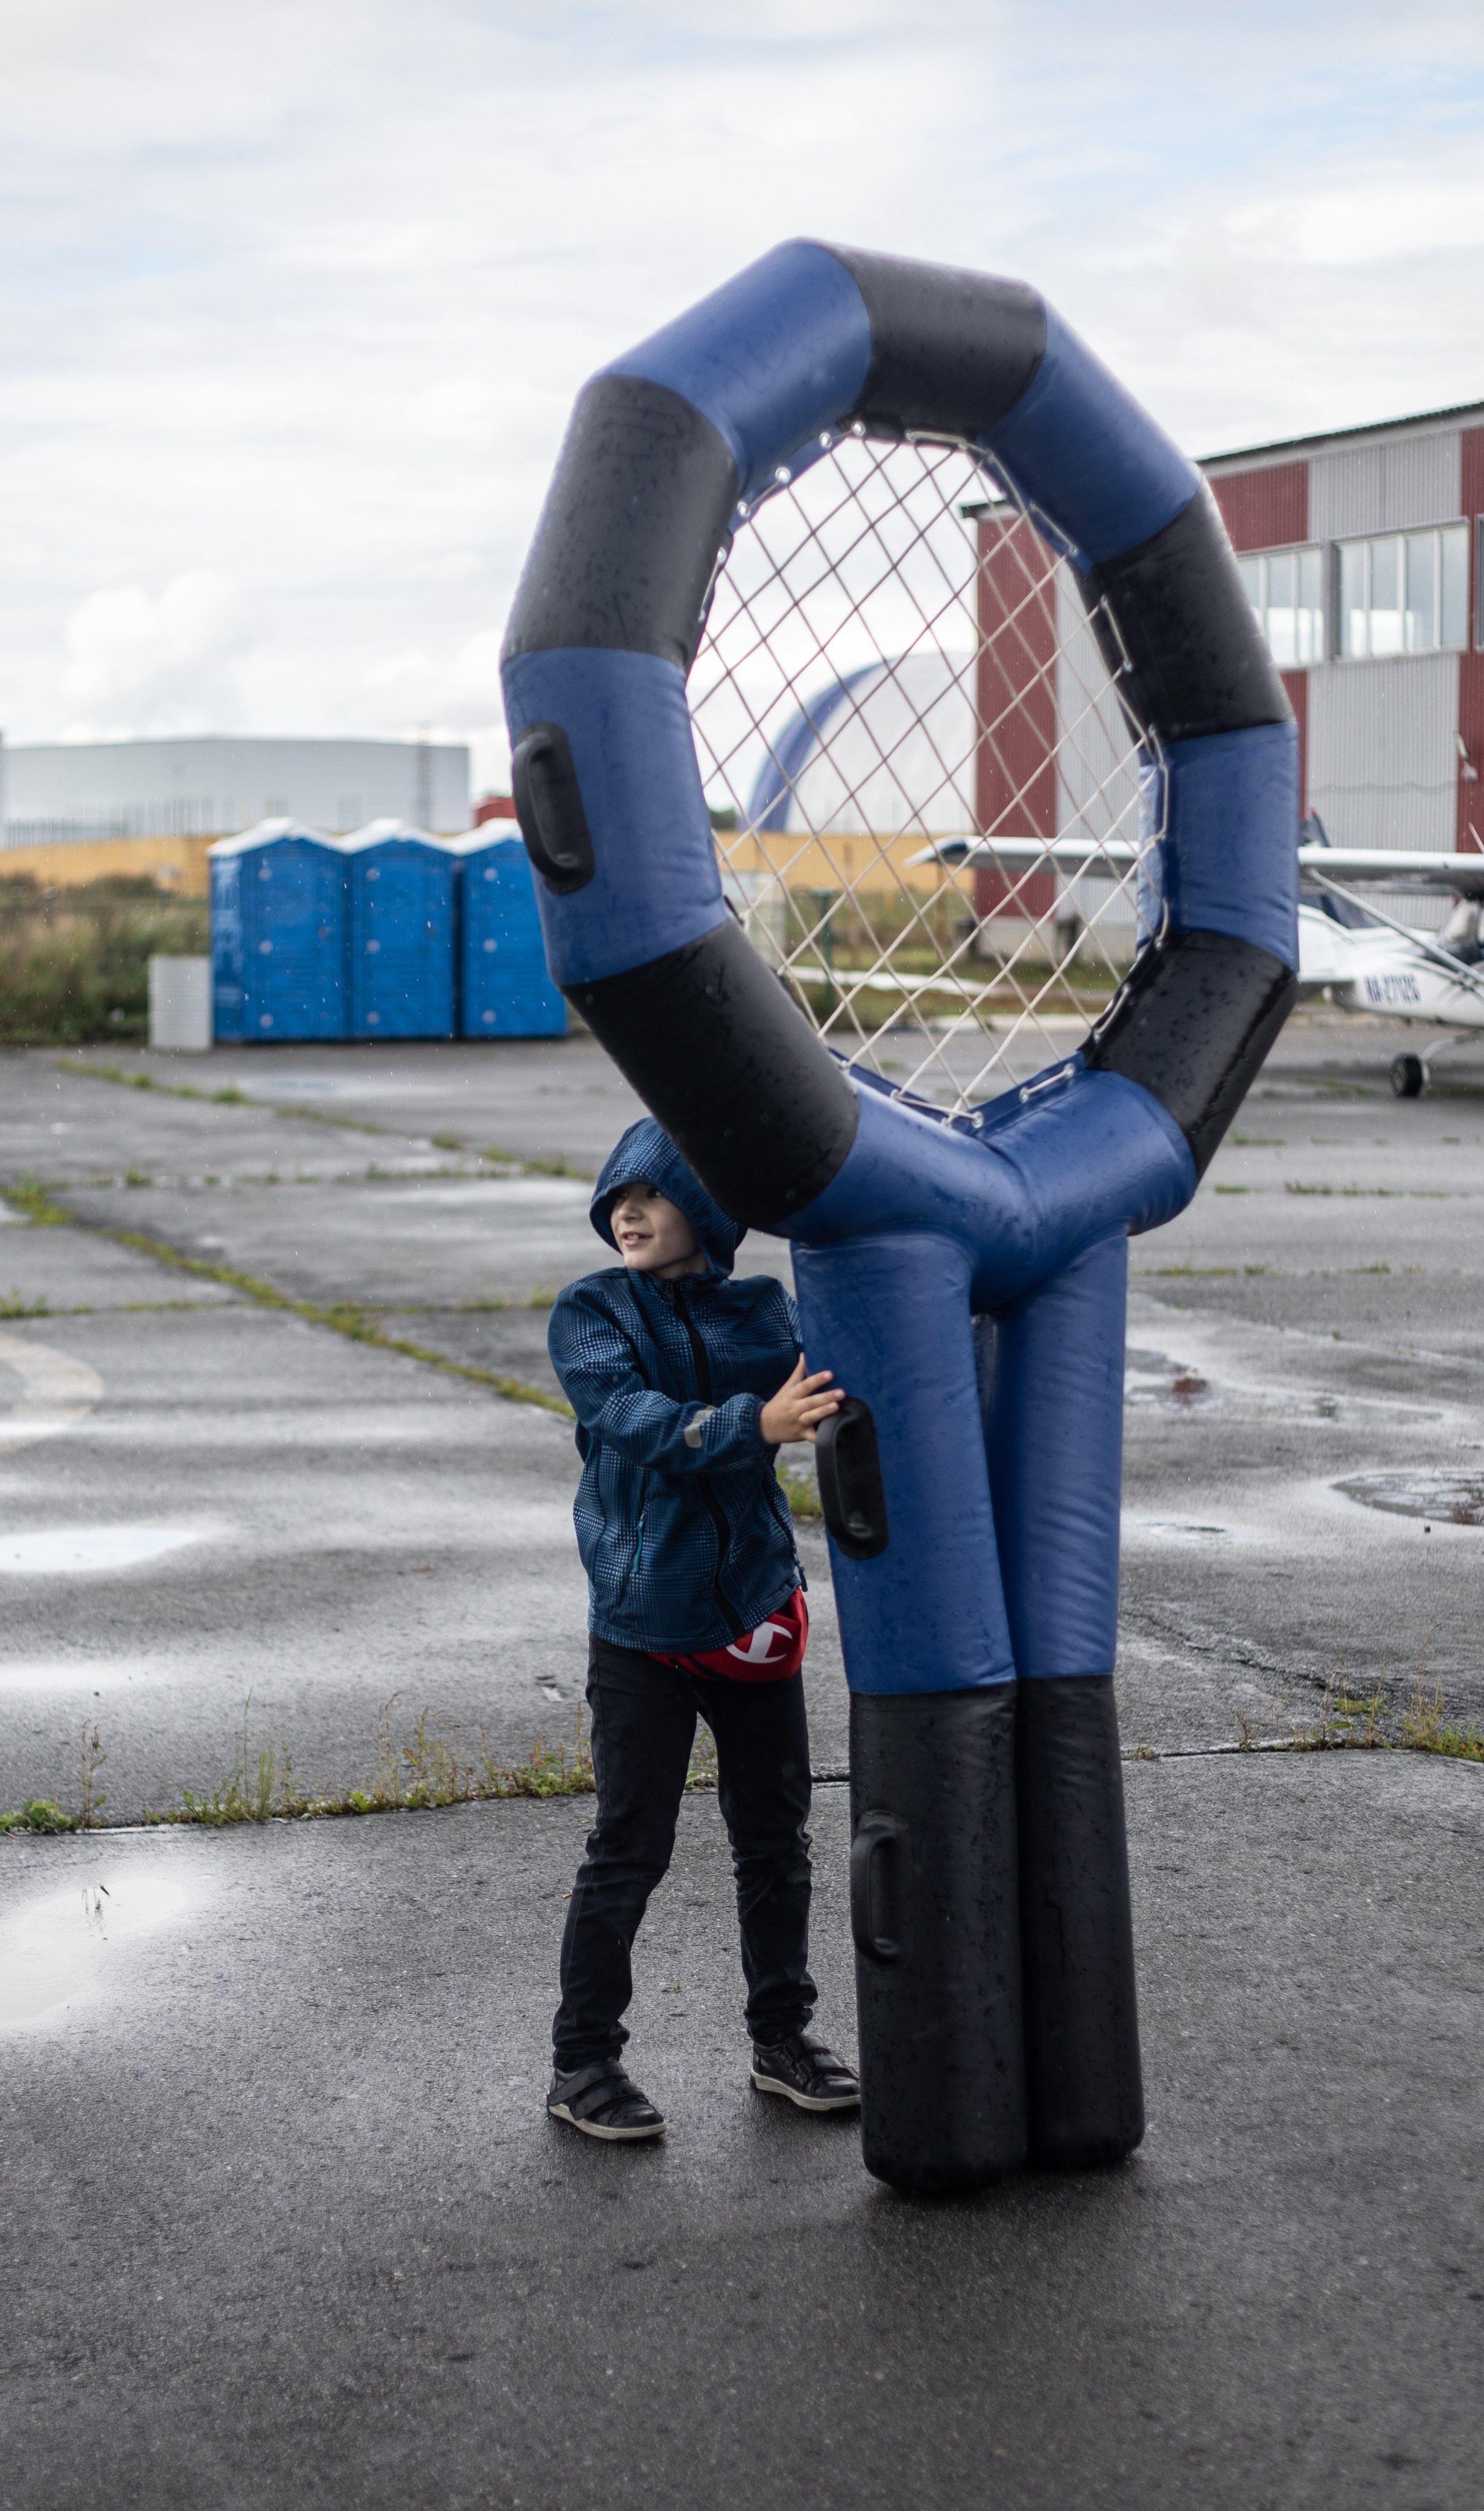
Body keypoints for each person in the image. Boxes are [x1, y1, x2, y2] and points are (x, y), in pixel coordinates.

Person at [544, 1115, 860, 2142]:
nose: (627, 1213)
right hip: (641, 1629)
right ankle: (581, 2063)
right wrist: (751, 1425)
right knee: (627, 1848)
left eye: (654, 1194)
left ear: (710, 1208)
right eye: (615, 1199)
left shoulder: (764, 1313)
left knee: (775, 1841)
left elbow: (849, 1371)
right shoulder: (590, 1313)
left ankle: (784, 2040)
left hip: (754, 1617)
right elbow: (631, 1420)